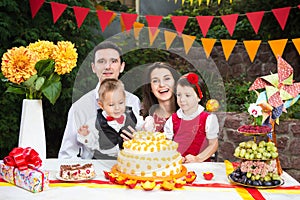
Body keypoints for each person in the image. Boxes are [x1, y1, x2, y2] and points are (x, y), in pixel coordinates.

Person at [58, 41, 141, 159]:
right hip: (93, 171)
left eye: (113, 61)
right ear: (93, 67)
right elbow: (67, 154)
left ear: (121, 66)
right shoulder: (80, 107)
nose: (108, 66)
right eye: (101, 61)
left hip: (128, 167)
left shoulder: (133, 101)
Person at [77, 79, 145, 159]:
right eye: (111, 105)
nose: (117, 108)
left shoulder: (132, 116)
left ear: (125, 100)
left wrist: (146, 127)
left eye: (121, 103)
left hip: (127, 159)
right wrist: (86, 135)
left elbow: (142, 127)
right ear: (101, 105)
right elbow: (92, 144)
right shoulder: (95, 122)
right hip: (103, 159)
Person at [164, 72, 219, 163]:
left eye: (187, 95)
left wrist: (198, 158)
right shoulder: (172, 120)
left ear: (199, 97)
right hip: (179, 166)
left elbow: (213, 144)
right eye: (179, 95)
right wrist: (173, 156)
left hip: (201, 166)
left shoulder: (208, 119)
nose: (182, 100)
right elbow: (167, 144)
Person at [140, 62, 180, 132]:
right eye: (155, 81)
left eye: (167, 79)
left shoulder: (190, 114)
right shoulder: (143, 120)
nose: (162, 84)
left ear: (175, 82)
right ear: (150, 88)